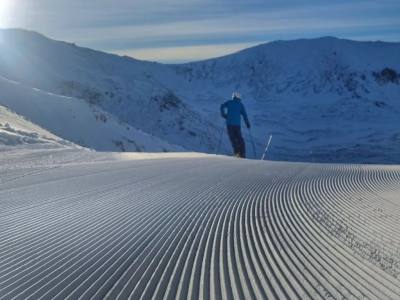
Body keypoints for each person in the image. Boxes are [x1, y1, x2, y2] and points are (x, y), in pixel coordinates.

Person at [220, 92, 250, 158]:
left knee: (233, 139)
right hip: (237, 125)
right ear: (239, 97)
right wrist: (247, 123)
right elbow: (244, 115)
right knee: (239, 138)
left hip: (229, 124)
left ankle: (237, 153)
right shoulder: (240, 105)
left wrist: (224, 115)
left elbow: (222, 106)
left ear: (233, 97)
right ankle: (242, 153)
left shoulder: (229, 102)